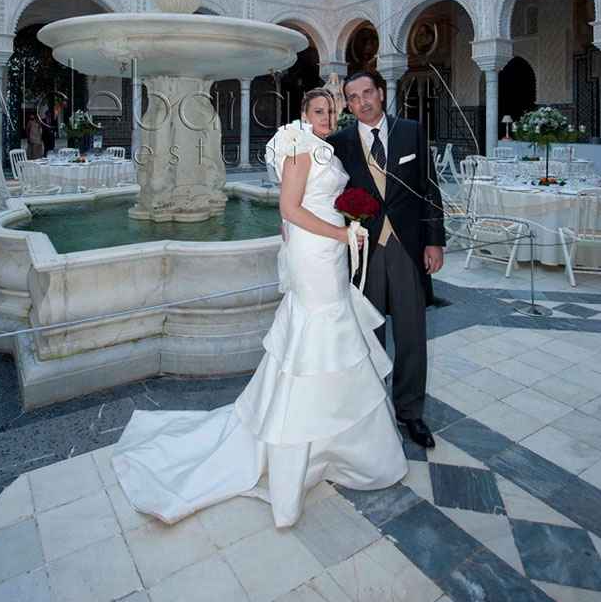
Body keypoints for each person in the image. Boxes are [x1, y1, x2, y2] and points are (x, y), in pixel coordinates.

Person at [111, 88, 407, 528]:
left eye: (330, 110)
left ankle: (334, 439)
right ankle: (297, 439)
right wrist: (340, 234)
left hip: (326, 249)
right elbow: (289, 207)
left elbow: (292, 211)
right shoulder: (298, 150)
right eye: (318, 110)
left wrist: (341, 230)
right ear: (304, 114)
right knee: (316, 335)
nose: (326, 116)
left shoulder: (322, 148)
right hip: (319, 251)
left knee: (330, 334)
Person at [328, 71, 445, 449]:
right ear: (347, 103)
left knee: (411, 334)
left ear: (380, 93)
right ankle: (371, 411)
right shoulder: (339, 143)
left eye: (367, 93)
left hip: (408, 247)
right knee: (367, 335)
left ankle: (410, 413)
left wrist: (435, 242)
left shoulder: (411, 131)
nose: (362, 101)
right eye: (353, 97)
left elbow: (429, 189)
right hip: (363, 252)